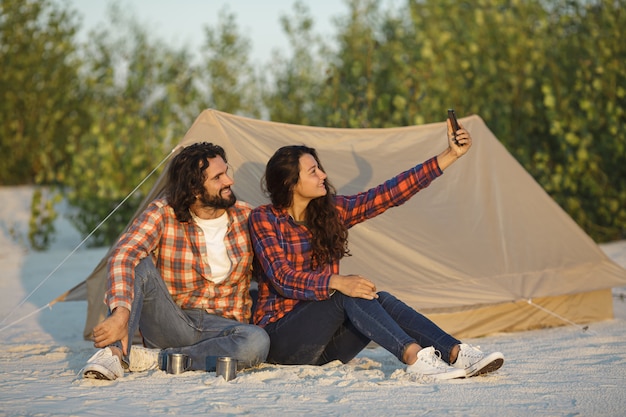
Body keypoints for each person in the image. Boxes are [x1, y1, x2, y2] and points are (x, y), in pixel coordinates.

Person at [248, 118, 504, 380]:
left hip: (325, 351)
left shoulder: (330, 213)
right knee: (346, 291)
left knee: (377, 297)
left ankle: (455, 353)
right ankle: (415, 358)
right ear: (290, 183)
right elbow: (282, 278)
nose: (323, 175)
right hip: (283, 343)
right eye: (313, 171)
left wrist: (450, 155)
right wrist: (336, 281)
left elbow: (387, 194)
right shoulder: (265, 219)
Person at [82, 142, 270, 380]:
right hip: (172, 321)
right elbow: (123, 254)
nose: (229, 181)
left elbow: (273, 268)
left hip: (224, 329)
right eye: (218, 177)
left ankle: (159, 359)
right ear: (195, 189)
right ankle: (114, 354)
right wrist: (120, 314)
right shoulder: (163, 212)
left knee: (256, 341)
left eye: (227, 172)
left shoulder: (247, 216)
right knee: (138, 261)